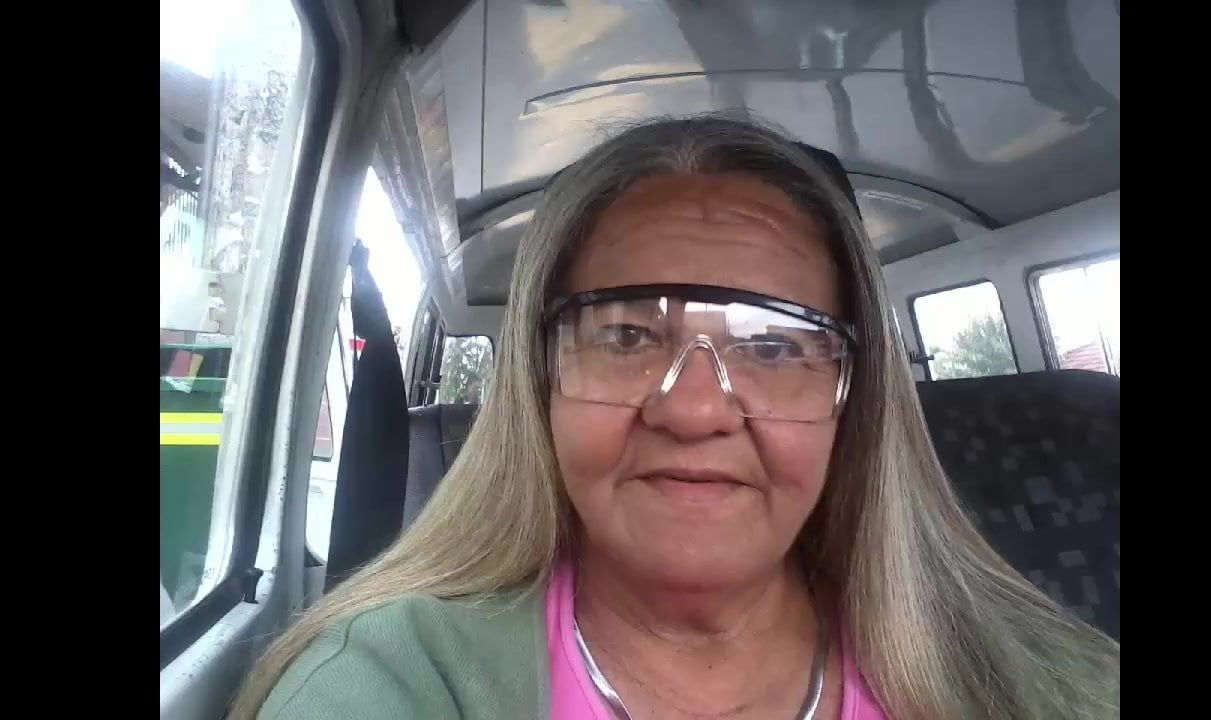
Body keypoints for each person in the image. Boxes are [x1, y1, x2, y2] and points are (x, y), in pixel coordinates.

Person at [233, 115, 1119, 720]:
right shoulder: (396, 680)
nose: (694, 410)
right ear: (540, 383)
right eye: (625, 336)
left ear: (854, 400)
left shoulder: (1038, 679)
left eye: (773, 347)